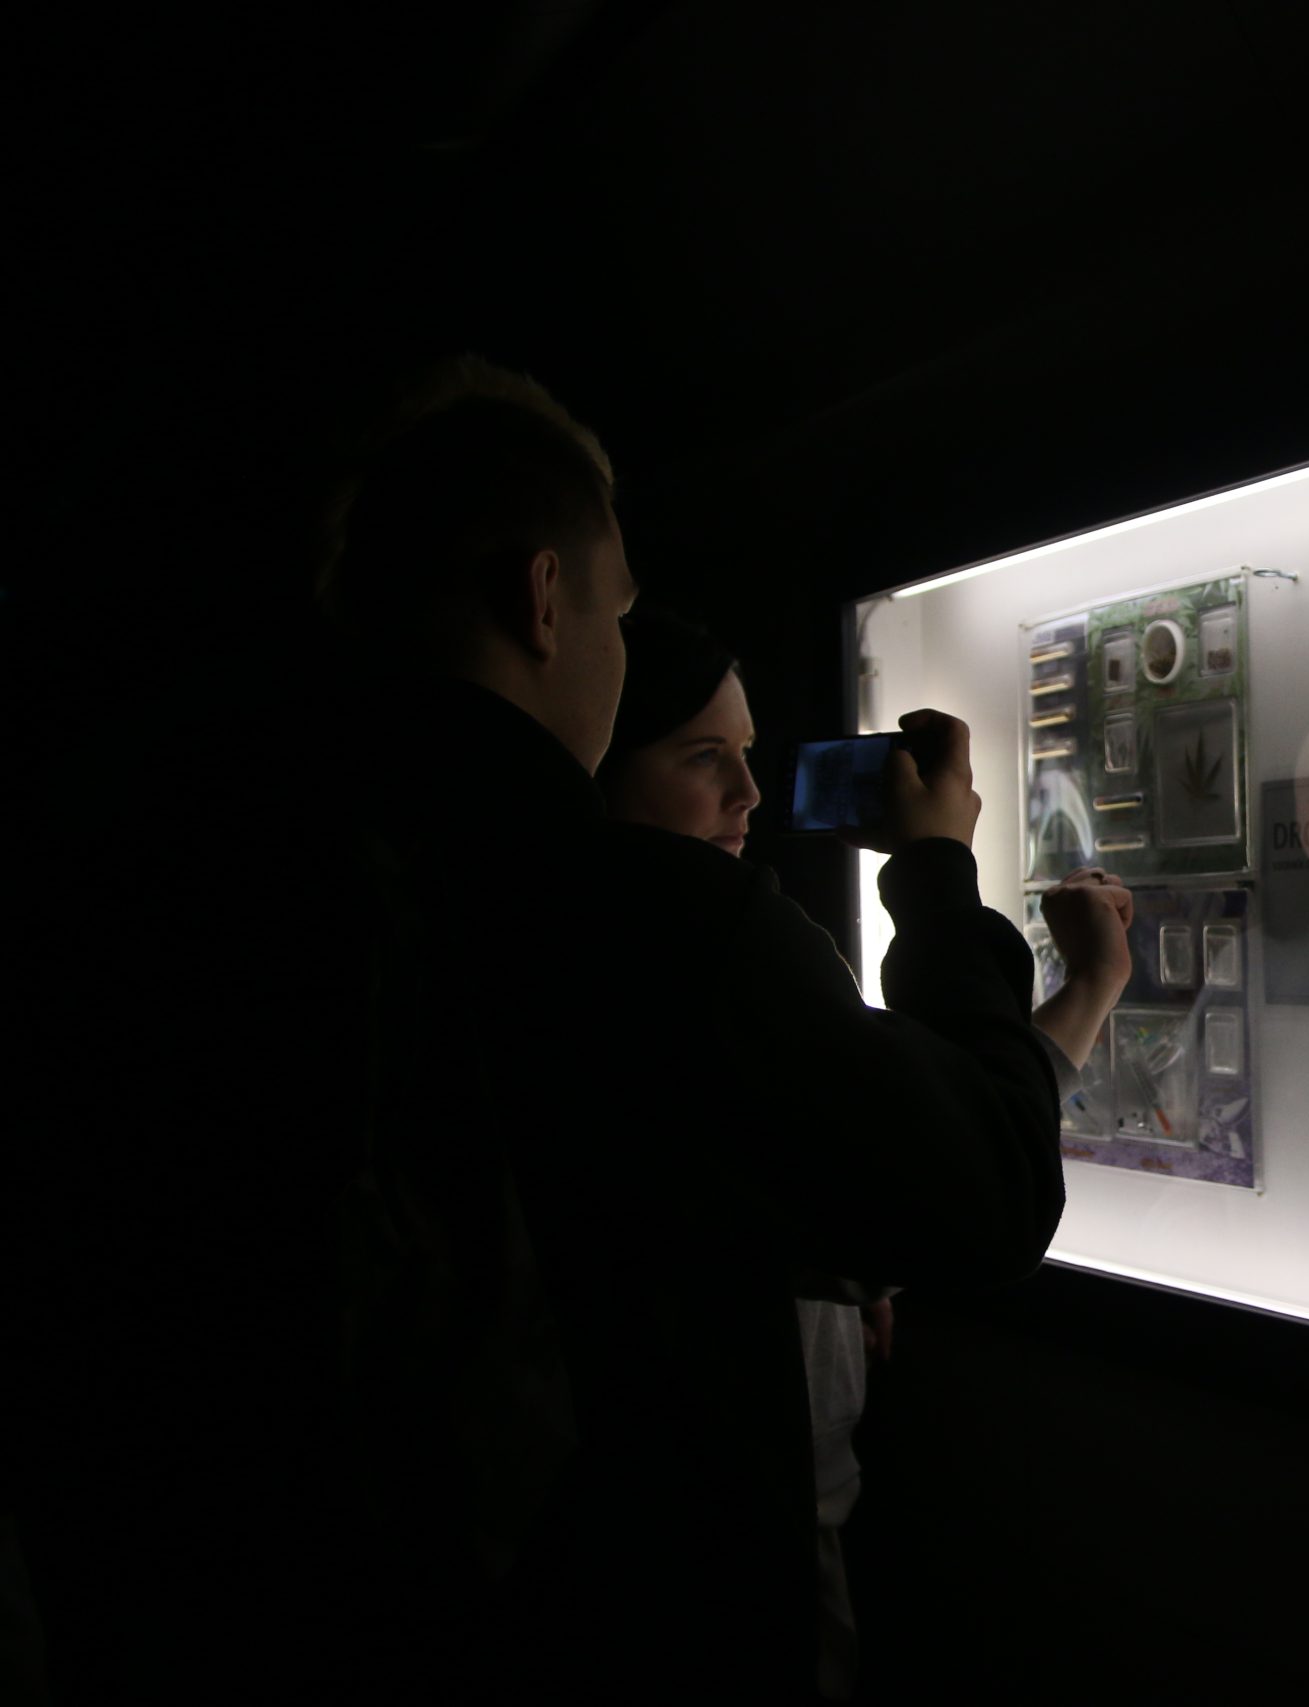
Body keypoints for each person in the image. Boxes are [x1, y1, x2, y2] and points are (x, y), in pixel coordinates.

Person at [189, 353, 1070, 1701]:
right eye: (617, 606)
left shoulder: (254, 885)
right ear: (544, 598)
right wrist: (941, 880)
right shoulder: (649, 921)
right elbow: (990, 1189)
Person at [596, 608, 1130, 1698]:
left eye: (749, 754)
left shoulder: (626, 949)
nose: (748, 793)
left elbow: (908, 1151)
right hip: (724, 1542)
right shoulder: (703, 954)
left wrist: (1089, 992)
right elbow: (970, 1183)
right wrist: (935, 870)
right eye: (702, 758)